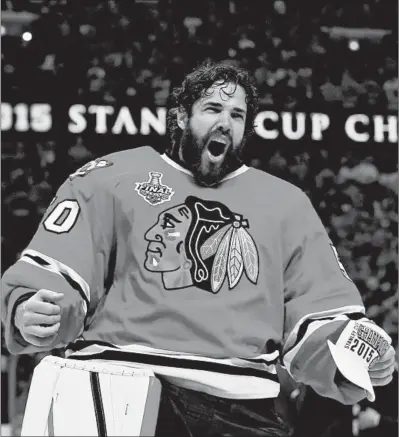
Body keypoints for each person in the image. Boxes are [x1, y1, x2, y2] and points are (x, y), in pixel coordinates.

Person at [1, 61, 396, 437]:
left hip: (244, 406)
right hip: (123, 387)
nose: (225, 121)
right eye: (212, 108)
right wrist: (29, 307)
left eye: (237, 115)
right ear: (180, 115)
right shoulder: (111, 178)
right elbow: (57, 268)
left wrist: (354, 358)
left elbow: (317, 313)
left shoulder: (287, 204)